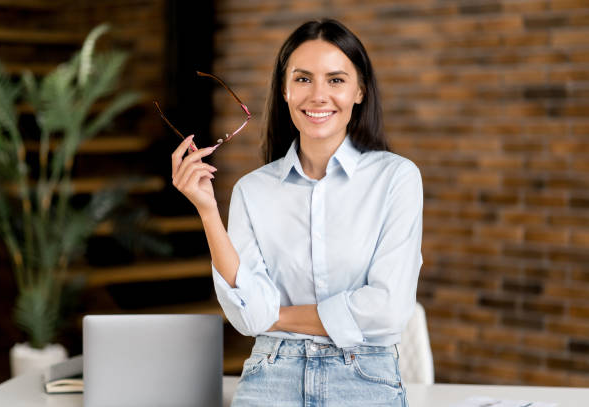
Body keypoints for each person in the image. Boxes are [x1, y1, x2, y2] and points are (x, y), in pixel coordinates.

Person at [171, 19, 422, 407]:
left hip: (365, 379)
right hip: (270, 377)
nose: (318, 95)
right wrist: (207, 212)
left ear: (360, 91)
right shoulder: (252, 192)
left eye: (336, 80)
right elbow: (244, 314)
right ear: (285, 90)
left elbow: (387, 310)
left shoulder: (396, 179)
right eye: (303, 79)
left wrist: (273, 316)